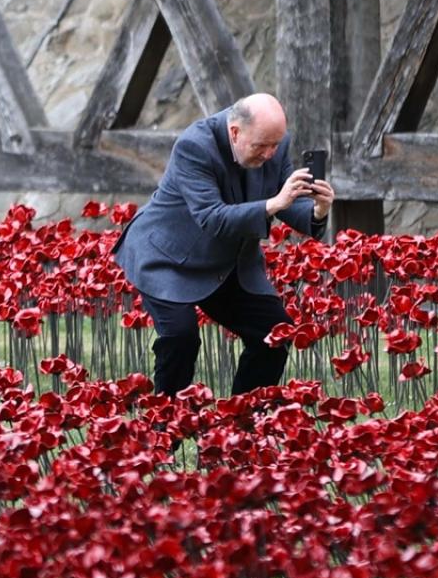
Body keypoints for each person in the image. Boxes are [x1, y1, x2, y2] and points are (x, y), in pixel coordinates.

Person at [113, 93, 335, 397]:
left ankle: (241, 427)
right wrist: (274, 202)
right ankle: (165, 433)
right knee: (181, 337)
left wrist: (318, 210)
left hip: (224, 260)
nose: (271, 154)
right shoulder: (195, 146)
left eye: (275, 145)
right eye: (262, 146)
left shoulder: (273, 143)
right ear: (235, 132)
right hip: (167, 257)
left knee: (274, 332)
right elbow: (212, 217)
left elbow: (284, 203)